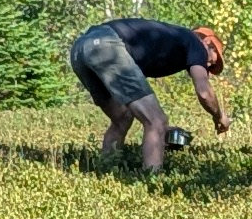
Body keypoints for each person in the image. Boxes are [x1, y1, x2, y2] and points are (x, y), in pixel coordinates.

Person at [68, 17, 229, 173]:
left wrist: (162, 132)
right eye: (213, 61)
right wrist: (219, 116)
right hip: (107, 46)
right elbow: (204, 93)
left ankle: (105, 171)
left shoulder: (169, 42)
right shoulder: (196, 44)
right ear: (208, 43)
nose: (210, 66)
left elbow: (137, 104)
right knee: (156, 121)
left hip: (81, 49)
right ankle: (152, 183)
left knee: (122, 118)